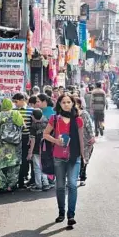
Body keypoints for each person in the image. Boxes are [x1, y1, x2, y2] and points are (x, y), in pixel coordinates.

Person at [43, 93, 84, 226]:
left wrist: (84, 157)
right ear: (59, 104)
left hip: (74, 157)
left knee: (72, 185)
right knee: (60, 186)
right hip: (58, 157)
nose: (66, 104)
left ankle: (70, 215)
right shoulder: (54, 119)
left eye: (69, 102)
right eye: (64, 102)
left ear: (73, 103)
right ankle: (61, 212)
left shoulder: (78, 120)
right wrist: (56, 141)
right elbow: (45, 134)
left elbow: (81, 140)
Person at [0, 98, 24, 193]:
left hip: (2, 144)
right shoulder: (16, 113)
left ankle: (2, 184)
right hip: (15, 143)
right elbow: (21, 126)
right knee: (14, 164)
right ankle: (11, 185)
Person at [12, 93, 33, 189]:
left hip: (26, 138)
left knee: (24, 159)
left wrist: (30, 138)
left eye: (16, 101)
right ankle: (19, 181)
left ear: (22, 100)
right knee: (16, 160)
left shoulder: (31, 111)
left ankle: (22, 178)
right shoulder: (13, 111)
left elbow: (32, 127)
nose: (15, 104)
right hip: (15, 139)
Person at [27, 109, 51, 192]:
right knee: (44, 166)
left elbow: (32, 141)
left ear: (34, 116)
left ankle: (39, 185)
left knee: (37, 168)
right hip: (46, 148)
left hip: (37, 149)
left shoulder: (33, 126)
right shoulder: (47, 122)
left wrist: (30, 152)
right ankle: (46, 184)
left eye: (32, 116)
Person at [75, 98, 95, 186]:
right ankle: (76, 175)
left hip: (86, 140)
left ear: (79, 105)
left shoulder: (84, 114)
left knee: (85, 158)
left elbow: (89, 125)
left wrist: (92, 136)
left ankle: (82, 177)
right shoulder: (70, 114)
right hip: (75, 140)